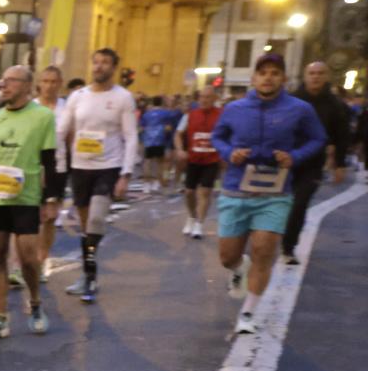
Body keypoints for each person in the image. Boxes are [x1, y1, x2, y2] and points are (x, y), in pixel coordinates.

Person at [212, 53, 327, 335]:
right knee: (227, 257)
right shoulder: (235, 108)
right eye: (263, 72)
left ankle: (248, 313)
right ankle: (240, 268)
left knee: (264, 250)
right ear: (254, 78)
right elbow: (218, 136)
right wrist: (230, 153)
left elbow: (318, 138)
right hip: (236, 189)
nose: (268, 77)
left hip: (275, 193)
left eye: (275, 72)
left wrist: (295, 156)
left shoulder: (299, 109)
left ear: (284, 79)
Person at [0, 66, 58, 341]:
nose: (4, 86)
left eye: (11, 81)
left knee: (29, 258)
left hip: (27, 197)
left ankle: (35, 303)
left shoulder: (43, 116)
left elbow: (49, 161)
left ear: (28, 85)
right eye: (3, 81)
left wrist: (51, 199)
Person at [54, 48, 137, 303]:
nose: (99, 67)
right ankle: (88, 274)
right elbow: (61, 130)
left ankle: (90, 277)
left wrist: (126, 173)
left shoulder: (123, 97)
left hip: (108, 166)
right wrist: (56, 161)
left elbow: (131, 136)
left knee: (97, 220)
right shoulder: (77, 96)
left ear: (114, 68)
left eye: (105, 63)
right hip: (81, 167)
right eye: (96, 62)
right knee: (85, 225)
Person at [285, 61, 354, 264]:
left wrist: (339, 164)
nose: (315, 77)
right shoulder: (291, 100)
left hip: (313, 163)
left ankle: (288, 246)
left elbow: (342, 136)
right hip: (286, 161)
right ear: (305, 76)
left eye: (320, 73)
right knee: (279, 204)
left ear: (326, 77)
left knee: (299, 204)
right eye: (311, 73)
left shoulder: (336, 105)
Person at [174, 85, 222, 239]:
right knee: (189, 192)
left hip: (212, 159)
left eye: (208, 97)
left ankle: (199, 224)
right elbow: (178, 134)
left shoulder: (222, 115)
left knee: (206, 192)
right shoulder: (190, 115)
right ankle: (192, 216)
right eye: (202, 97)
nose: (204, 100)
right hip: (193, 159)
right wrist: (180, 150)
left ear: (214, 99)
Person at [34, 65, 67, 276]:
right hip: (34, 167)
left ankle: (44, 256)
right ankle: (28, 259)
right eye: (45, 81)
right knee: (34, 216)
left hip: (59, 166)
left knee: (51, 217)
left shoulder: (67, 107)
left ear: (60, 84)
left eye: (53, 82)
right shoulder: (32, 107)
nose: (49, 86)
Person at [139, 95, 181, 194]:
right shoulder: (166, 113)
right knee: (160, 163)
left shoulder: (146, 114)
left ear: (153, 103)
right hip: (160, 140)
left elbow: (142, 127)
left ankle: (146, 185)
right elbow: (170, 125)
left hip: (148, 140)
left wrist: (142, 140)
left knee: (147, 163)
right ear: (161, 103)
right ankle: (156, 183)